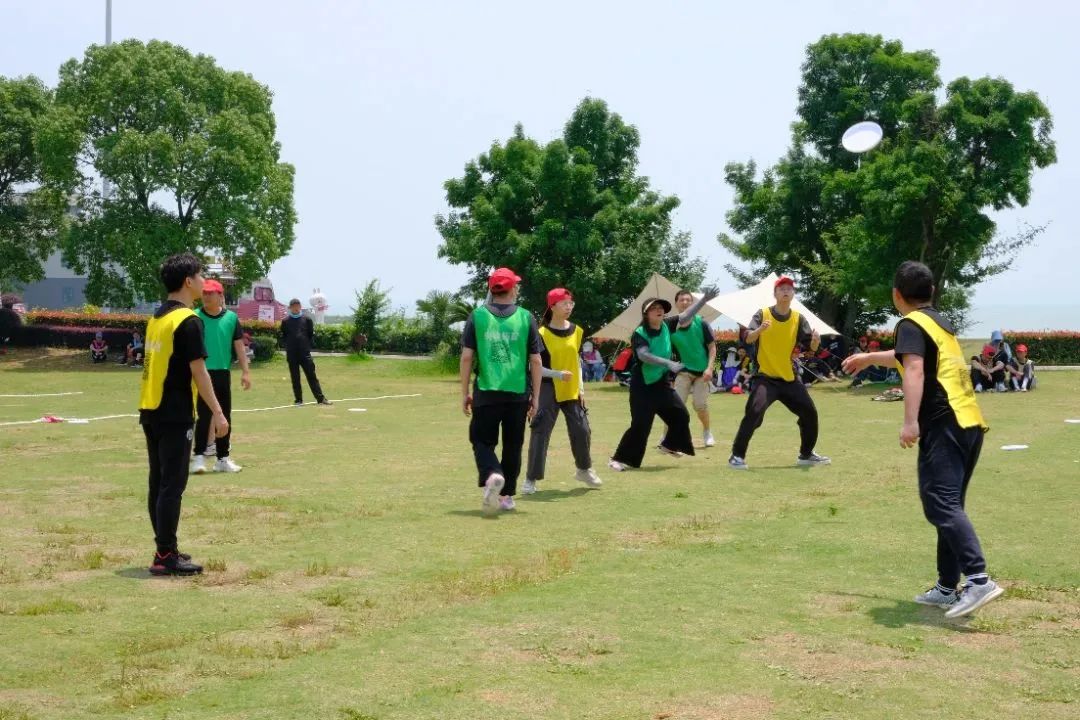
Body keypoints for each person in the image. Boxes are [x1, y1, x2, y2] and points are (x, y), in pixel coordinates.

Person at [842, 260, 1002, 618]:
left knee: (940, 504)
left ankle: (978, 580)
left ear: (896, 295)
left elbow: (914, 368)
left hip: (944, 423)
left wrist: (910, 422)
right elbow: (912, 357)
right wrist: (870, 358)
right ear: (931, 291)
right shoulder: (938, 322)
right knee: (950, 506)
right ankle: (947, 586)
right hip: (968, 421)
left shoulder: (910, 324)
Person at [139, 253, 229, 576]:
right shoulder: (188, 321)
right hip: (175, 412)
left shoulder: (157, 318)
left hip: (151, 408)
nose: (204, 282)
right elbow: (199, 372)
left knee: (158, 482)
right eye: (201, 276)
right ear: (188, 281)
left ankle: (165, 547)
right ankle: (165, 555)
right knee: (172, 485)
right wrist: (218, 412)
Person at [460, 267, 543, 514]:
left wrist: (464, 393)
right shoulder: (526, 317)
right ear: (513, 289)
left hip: (487, 391)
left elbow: (466, 357)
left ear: (492, 289)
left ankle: (492, 474)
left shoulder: (477, 316)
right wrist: (536, 398)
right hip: (518, 393)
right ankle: (506, 496)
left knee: (481, 440)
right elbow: (536, 360)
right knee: (513, 445)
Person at [729, 276, 830, 470]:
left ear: (793, 294)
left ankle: (806, 454)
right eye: (781, 288)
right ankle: (737, 456)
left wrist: (815, 341)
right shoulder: (763, 314)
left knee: (810, 413)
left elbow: (810, 349)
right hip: (765, 378)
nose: (785, 291)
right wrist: (759, 330)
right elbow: (748, 338)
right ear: (775, 294)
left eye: (789, 289)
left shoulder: (798, 318)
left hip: (789, 379)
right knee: (754, 412)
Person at [608, 293, 711, 471]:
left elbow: (686, 315)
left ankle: (669, 445)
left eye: (661, 308)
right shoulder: (640, 333)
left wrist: (704, 300)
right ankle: (618, 459)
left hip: (661, 383)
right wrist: (668, 363)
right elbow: (643, 355)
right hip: (643, 385)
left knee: (680, 415)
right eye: (654, 308)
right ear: (646, 314)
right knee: (641, 425)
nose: (659, 310)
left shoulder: (667, 324)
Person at [523, 288, 602, 495]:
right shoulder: (541, 334)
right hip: (548, 386)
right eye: (564, 303)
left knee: (582, 429)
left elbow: (576, 361)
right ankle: (531, 479)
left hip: (571, 388)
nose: (569, 307)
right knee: (540, 430)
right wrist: (557, 374)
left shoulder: (577, 331)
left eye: (571, 303)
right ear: (552, 306)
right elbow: (534, 366)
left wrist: (581, 388)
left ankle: (584, 469)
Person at [191, 279, 252, 474]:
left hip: (223, 372)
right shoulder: (194, 316)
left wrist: (245, 371)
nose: (206, 296)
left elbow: (239, 346)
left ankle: (222, 459)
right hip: (201, 372)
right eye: (204, 293)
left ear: (220, 296)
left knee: (225, 415)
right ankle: (199, 457)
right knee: (204, 415)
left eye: (211, 293)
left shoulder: (231, 318)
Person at [667, 289, 718, 447]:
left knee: (699, 405)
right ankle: (668, 437)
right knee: (675, 405)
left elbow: (712, 347)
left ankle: (707, 432)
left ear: (693, 303)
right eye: (681, 300)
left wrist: (710, 368)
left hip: (702, 373)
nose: (685, 302)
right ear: (676, 304)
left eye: (688, 300)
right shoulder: (669, 326)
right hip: (683, 371)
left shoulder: (701, 323)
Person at [281, 299, 331, 406]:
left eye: (297, 306)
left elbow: (310, 334)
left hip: (305, 353)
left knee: (312, 376)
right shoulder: (285, 321)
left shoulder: (307, 319)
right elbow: (284, 336)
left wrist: (305, 345)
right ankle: (298, 400)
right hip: (292, 354)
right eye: (293, 306)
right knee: (295, 378)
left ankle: (320, 398)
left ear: (300, 307)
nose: (296, 308)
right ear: (290, 308)